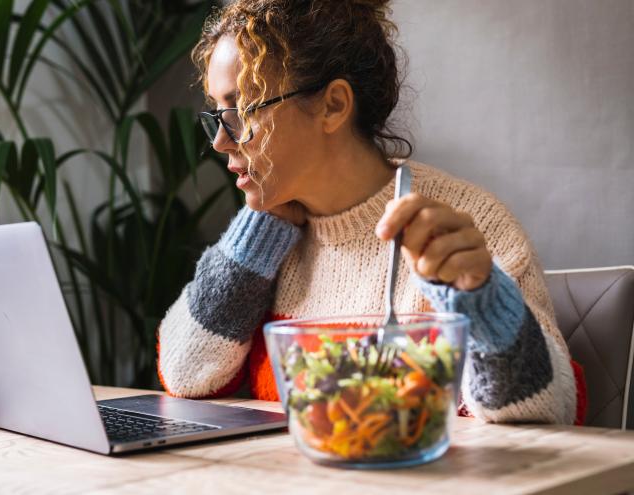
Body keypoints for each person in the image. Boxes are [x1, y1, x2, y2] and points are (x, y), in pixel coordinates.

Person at [156, 0, 582, 424]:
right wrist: (258, 233)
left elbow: (548, 412)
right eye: (218, 114)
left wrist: (481, 299)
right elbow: (186, 374)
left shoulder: (464, 228)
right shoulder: (271, 236)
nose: (220, 142)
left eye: (242, 111)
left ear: (333, 105)